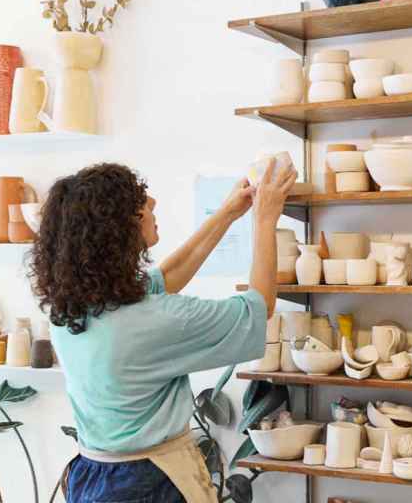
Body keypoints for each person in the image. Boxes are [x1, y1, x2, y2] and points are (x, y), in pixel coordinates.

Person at [28, 159, 296, 503]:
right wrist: (265, 220)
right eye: (140, 201)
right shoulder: (154, 322)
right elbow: (259, 307)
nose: (152, 204)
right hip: (148, 484)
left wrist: (229, 212)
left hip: (93, 476)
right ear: (119, 228)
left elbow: (167, 277)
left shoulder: (73, 307)